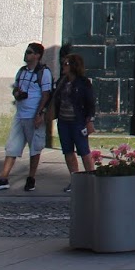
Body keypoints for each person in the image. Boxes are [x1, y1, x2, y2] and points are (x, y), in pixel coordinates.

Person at [0, 42, 53, 193]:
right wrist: (17, 93)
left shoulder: (44, 72)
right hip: (20, 114)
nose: (26, 55)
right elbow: (15, 88)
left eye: (29, 52)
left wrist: (40, 114)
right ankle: (3, 178)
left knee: (35, 148)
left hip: (33, 115)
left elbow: (46, 94)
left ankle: (31, 178)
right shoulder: (22, 71)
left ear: (37, 55)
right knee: (12, 146)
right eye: (26, 52)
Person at [53, 53, 96, 190]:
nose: (63, 66)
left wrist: (90, 120)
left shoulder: (83, 83)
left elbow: (90, 103)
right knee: (67, 151)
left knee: (84, 151)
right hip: (63, 121)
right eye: (63, 63)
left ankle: (91, 180)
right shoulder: (61, 82)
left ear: (73, 66)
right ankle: (75, 180)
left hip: (78, 122)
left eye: (66, 64)